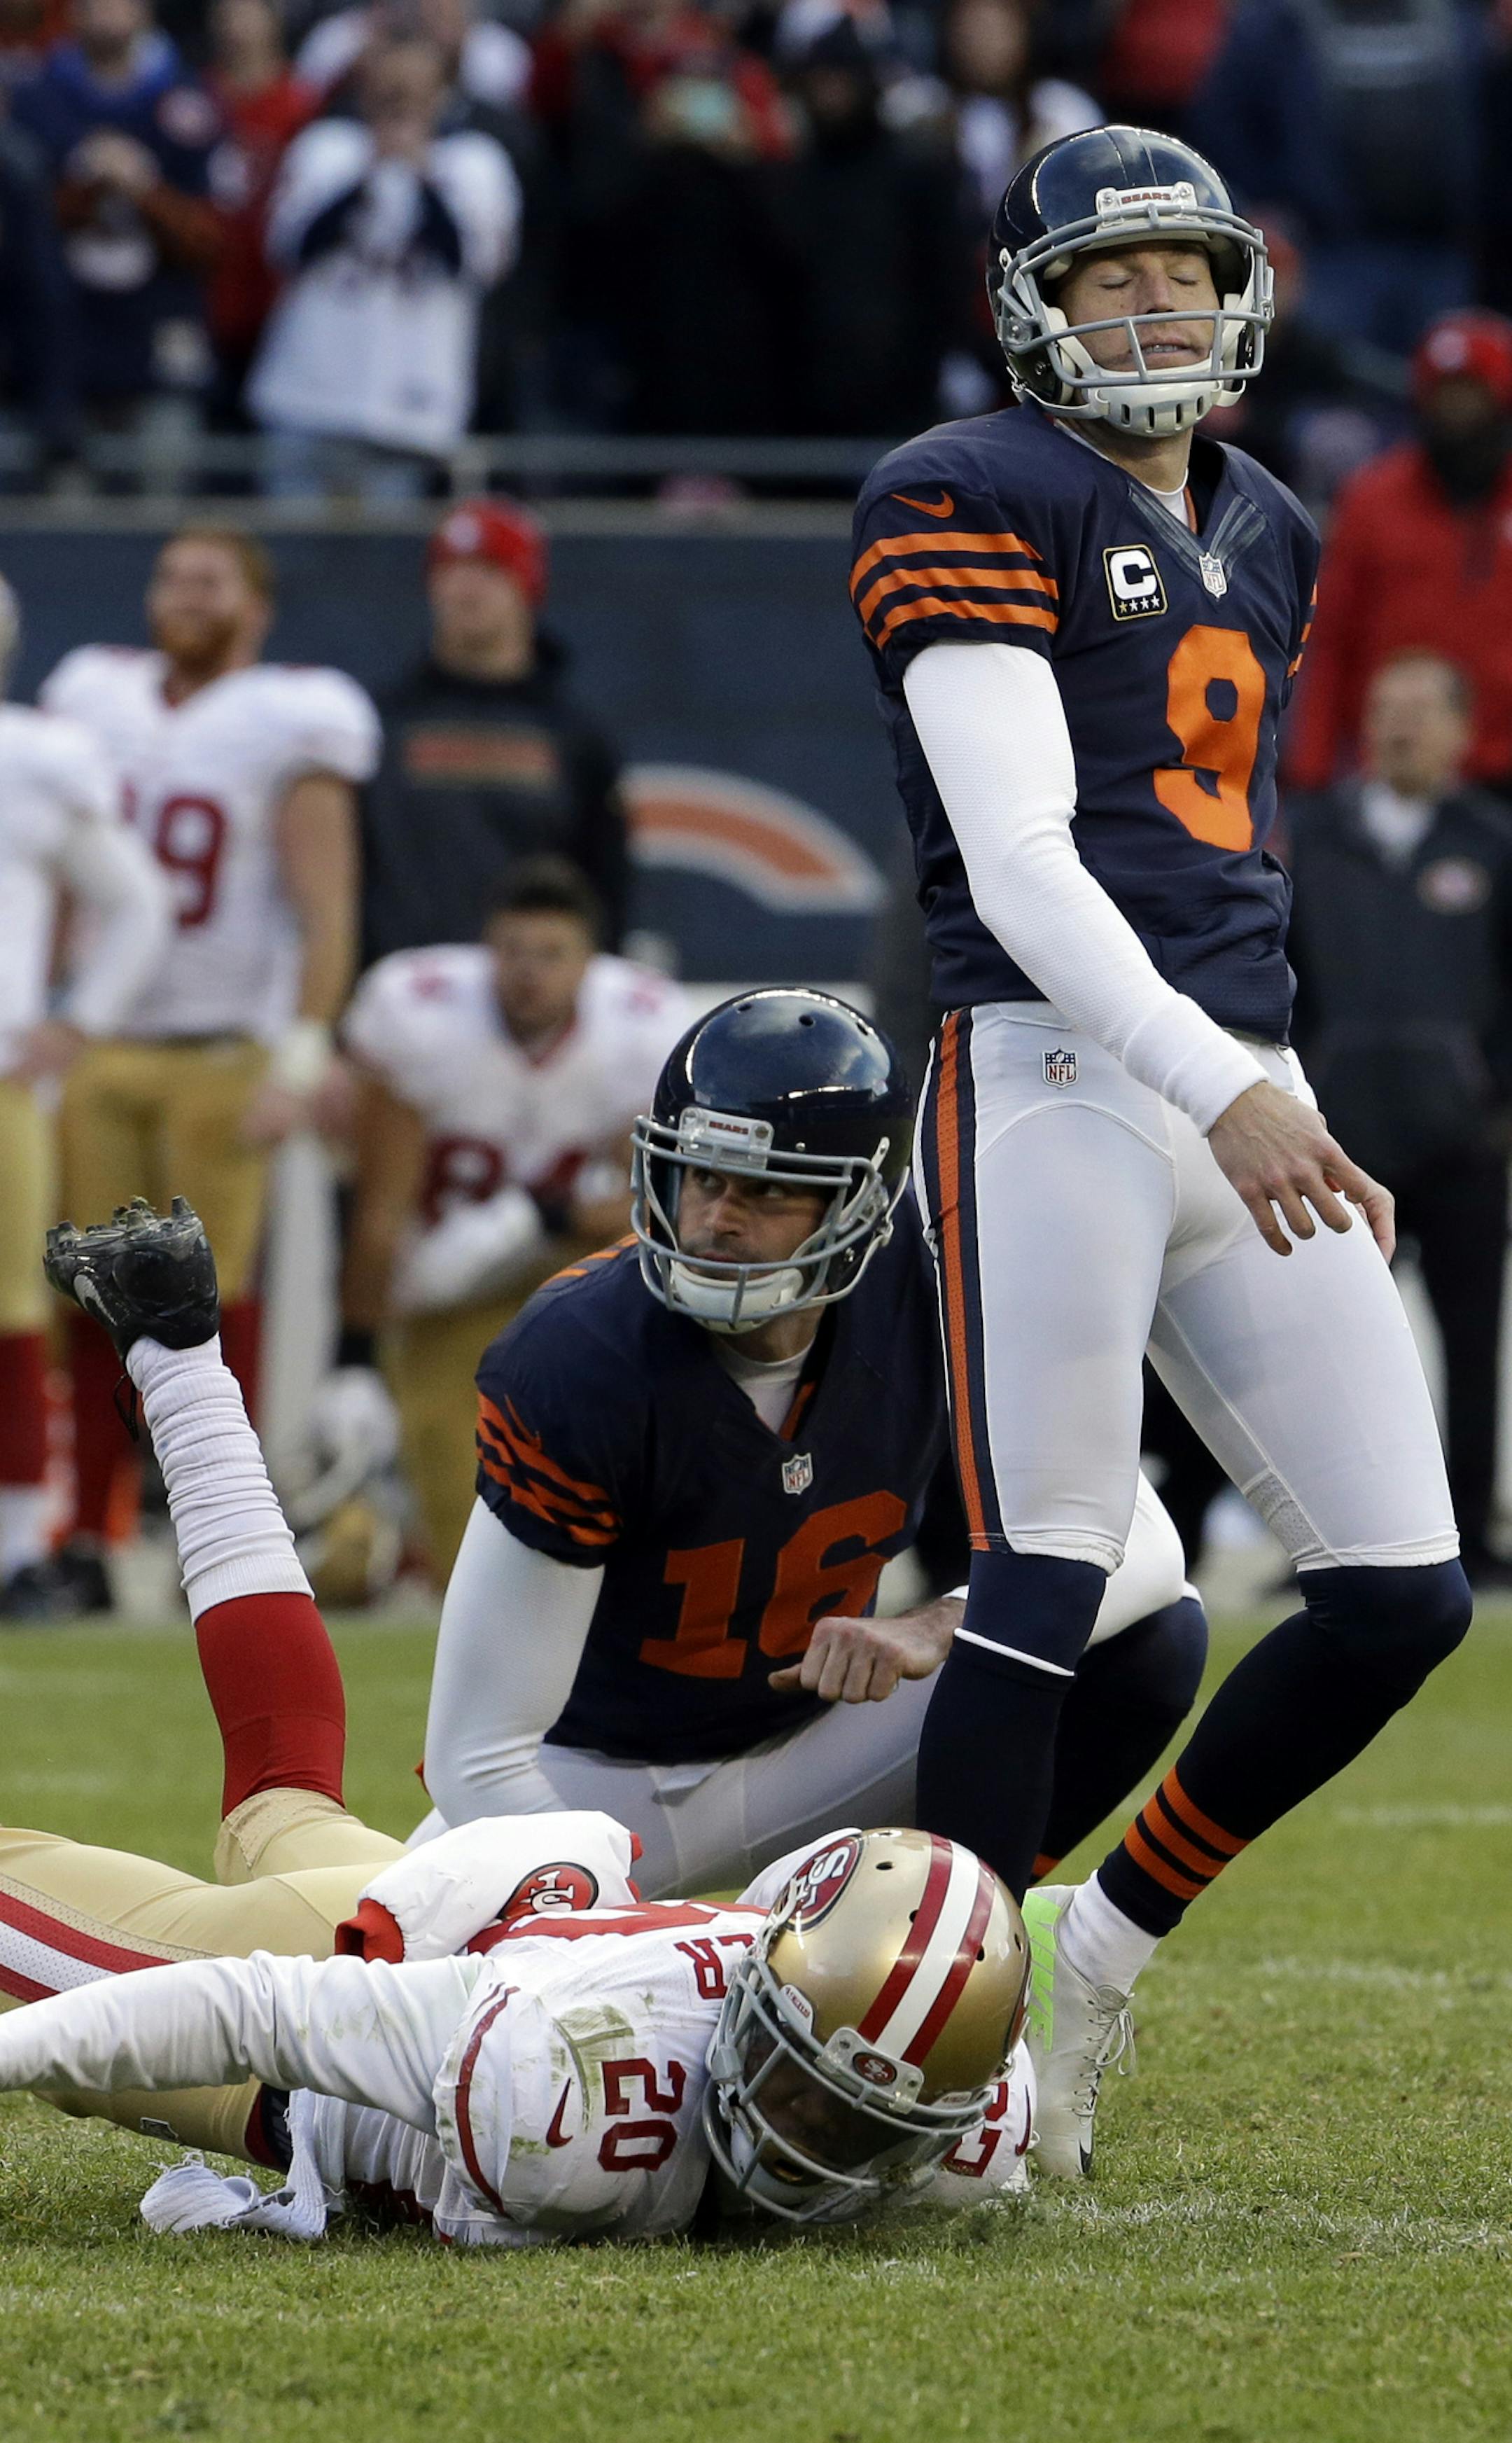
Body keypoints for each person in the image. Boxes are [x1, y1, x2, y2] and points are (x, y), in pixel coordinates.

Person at [847, 125, 1469, 2180]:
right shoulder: (960, 489)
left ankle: (1093, 1953)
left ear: (1239, 297)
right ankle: (919, 2057)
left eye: (1184, 274)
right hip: (1057, 1082)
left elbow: (1222, 859)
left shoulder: (1274, 520)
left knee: (1403, 1592)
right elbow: (1027, 858)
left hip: (1234, 1078)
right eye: (1111, 277)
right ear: (1029, 304)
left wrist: (1245, 1069)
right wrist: (1220, 1075)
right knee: (1047, 1563)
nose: (1154, 308)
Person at [0, 1195, 1035, 2243]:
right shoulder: (561, 2067)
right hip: (360, 2004)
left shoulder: (976, 2114)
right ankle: (177, 1359)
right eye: (800, 2083)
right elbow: (249, 2014)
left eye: (862, 2127)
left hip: (486, 1912)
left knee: (282, 1802)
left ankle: (177, 1350)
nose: (804, 2136)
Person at [416, 987, 1210, 1904]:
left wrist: (935, 1624)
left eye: (767, 1191)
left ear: (860, 1206)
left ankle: (972, 1942)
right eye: (703, 1177)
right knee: (381, 1982)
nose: (717, 1219)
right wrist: (633, 1939)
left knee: (1147, 1641)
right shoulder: (581, 1357)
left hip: (819, 1744)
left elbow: (1134, 1538)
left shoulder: (936, 1284)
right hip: (592, 1789)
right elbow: (477, 1757)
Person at [39, 524, 379, 1612]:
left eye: (210, 580)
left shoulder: (290, 716)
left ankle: (218, 1544)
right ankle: (89, 1533)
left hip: (226, 1046)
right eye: (171, 576)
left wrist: (303, 1047)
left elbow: (329, 905)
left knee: (209, 1308)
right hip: (100, 1039)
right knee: (83, 1293)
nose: (184, 595)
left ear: (257, 605)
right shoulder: (95, 693)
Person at [330, 856, 690, 1580]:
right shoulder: (420, 1015)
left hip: (582, 1278)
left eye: (552, 955)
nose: (529, 973)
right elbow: (381, 1207)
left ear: (590, 962)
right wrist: (355, 1355)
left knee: (612, 1494)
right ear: (486, 951)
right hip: (442, 1284)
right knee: (463, 1542)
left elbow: (659, 1209)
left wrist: (546, 1216)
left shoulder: (643, 1030)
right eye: (514, 953)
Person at [1287, 651, 1512, 1589]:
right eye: (1384, 709)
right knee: (1334, 1349)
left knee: (1472, 1345)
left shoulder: (1493, 841)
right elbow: (1283, 984)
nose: (1399, 728)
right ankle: (1332, 1542)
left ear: (1463, 730)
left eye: (1421, 711)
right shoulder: (1313, 837)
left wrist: (1495, 1102)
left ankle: (1468, 1537)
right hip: (1345, 1142)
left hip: (1465, 1141)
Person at [0, 578, 168, 1616]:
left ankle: (16, 1548)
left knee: (12, 1320)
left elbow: (139, 902)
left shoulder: (29, 757)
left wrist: (77, 1020)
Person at [248, 33, 521, 501]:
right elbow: (289, 250)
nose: (400, 98)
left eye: (416, 86)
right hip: (310, 391)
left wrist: (421, 176)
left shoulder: (477, 162)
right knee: (291, 554)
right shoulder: (325, 148)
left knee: (385, 562)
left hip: (410, 405)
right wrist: (368, 171)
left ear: (442, 92)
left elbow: (474, 266)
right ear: (365, 87)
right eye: (389, 84)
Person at [360, 497, 631, 968]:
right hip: (399, 1001)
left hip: (528, 1007)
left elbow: (605, 888)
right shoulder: (379, 722)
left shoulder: (575, 736)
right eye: (452, 570)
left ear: (528, 585)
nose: (466, 588)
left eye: (489, 570)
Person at [1285, 312, 1512, 800]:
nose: (1456, 413)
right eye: (1444, 396)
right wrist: (1311, 770)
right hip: (1391, 773)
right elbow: (1330, 642)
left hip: (1502, 769)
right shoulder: (1371, 498)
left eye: (1471, 397)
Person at [12, 0, 222, 452]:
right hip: (60, 341)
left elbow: (209, 239)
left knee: (166, 481)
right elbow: (19, 233)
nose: (108, 13)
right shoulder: (37, 98)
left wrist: (143, 190)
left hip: (159, 328)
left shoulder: (188, 98)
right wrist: (87, 182)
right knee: (63, 501)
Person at [202, 0, 318, 419]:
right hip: (206, 298)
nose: (237, 25)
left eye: (248, 11)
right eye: (228, 12)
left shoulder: (303, 106)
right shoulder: (193, 98)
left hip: (277, 305)